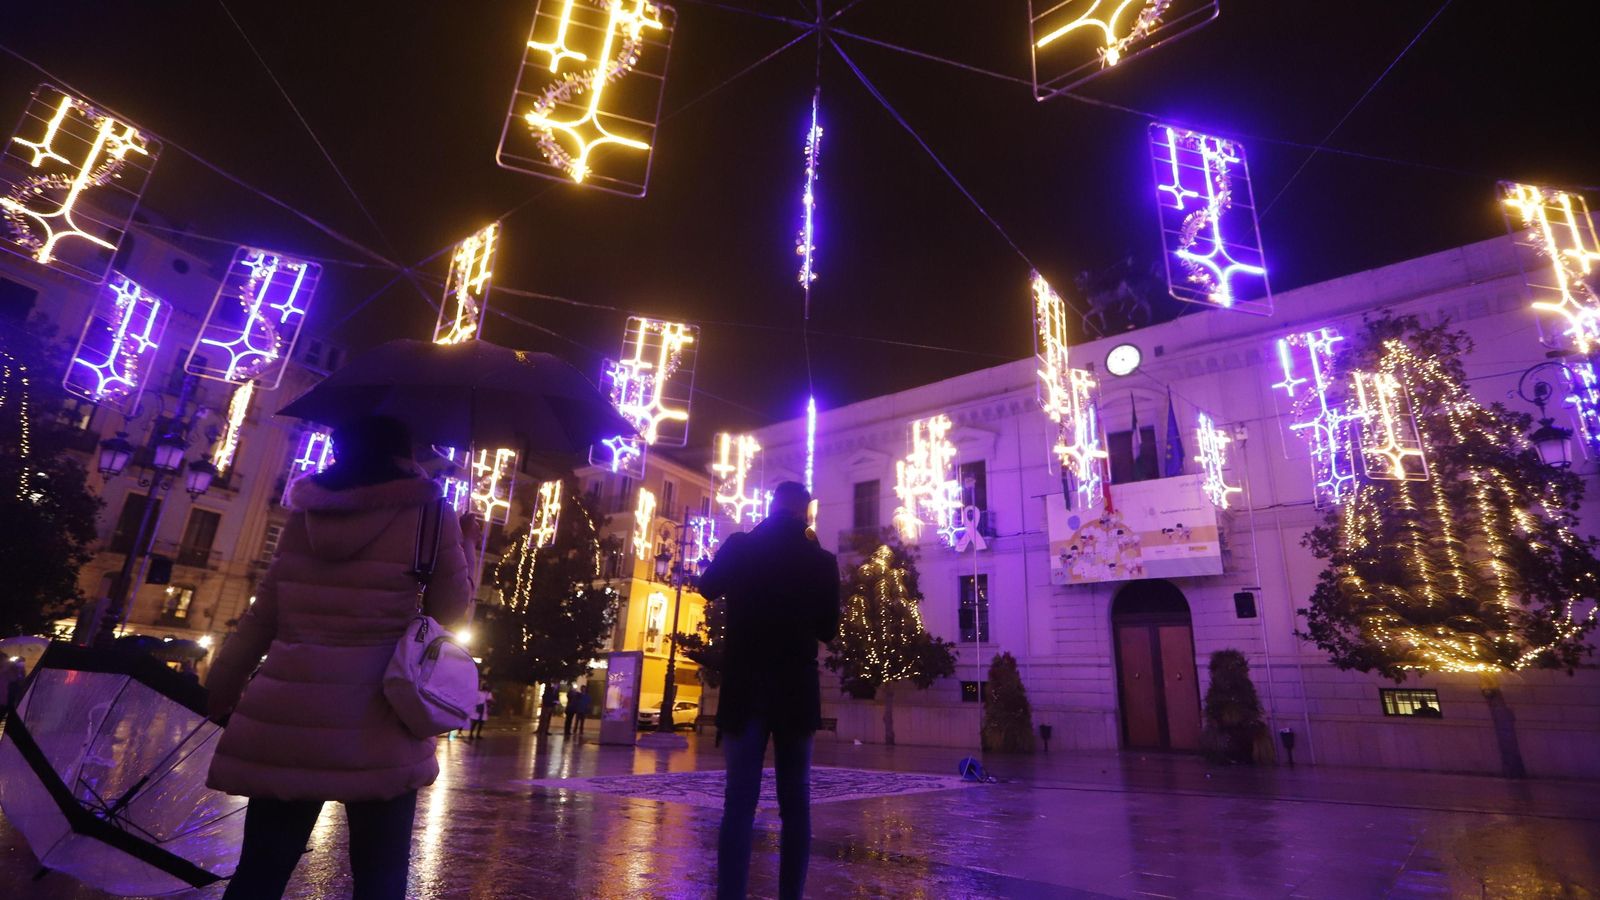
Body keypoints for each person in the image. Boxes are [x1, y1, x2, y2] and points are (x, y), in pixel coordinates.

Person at [204, 415, 476, 900]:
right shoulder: (432, 515)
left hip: (287, 715)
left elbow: (263, 614)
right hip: (380, 719)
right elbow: (447, 614)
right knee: (380, 880)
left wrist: (218, 691)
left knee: (260, 874)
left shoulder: (307, 514)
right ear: (405, 451)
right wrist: (466, 549)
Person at [698, 481, 840, 900]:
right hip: (795, 690)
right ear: (805, 512)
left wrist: (752, 540)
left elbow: (707, 586)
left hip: (745, 687)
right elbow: (829, 630)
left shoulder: (743, 546)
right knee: (796, 807)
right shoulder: (821, 561)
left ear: (771, 507)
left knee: (739, 805)